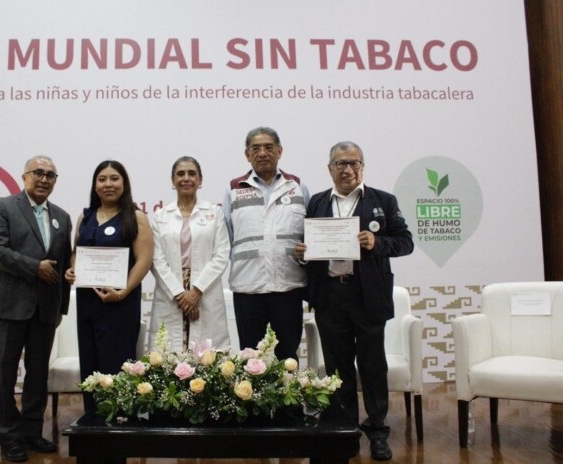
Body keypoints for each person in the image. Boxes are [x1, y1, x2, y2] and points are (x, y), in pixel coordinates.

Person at [295, 141, 414, 461]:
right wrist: (303, 253)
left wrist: (377, 242)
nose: (347, 169)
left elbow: (405, 242)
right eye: (341, 163)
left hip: (368, 296)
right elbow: (308, 245)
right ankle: (344, 430)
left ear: (362, 167)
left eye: (354, 163)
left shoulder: (383, 201)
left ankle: (377, 430)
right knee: (338, 367)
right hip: (330, 295)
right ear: (330, 168)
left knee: (373, 366)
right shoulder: (318, 202)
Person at [0, 156, 72, 463]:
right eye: (38, 173)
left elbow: (63, 263)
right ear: (24, 176)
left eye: (51, 175)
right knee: (3, 375)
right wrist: (35, 267)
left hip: (45, 309)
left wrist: (61, 308)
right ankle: (9, 436)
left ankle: (32, 431)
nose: (44, 179)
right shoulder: (2, 206)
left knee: (37, 375)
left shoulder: (62, 217)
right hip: (7, 306)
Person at [64, 160, 153, 413]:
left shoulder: (136, 217)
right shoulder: (85, 217)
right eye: (102, 179)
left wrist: (122, 292)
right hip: (88, 303)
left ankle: (119, 421)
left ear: (124, 183)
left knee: (117, 364)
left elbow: (144, 260)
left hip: (120, 304)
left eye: (114, 178)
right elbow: (76, 252)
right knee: (90, 362)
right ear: (95, 186)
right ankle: (92, 420)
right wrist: (72, 269)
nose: (108, 184)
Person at [222, 127, 309, 360]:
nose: (262, 153)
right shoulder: (234, 190)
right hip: (248, 288)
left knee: (288, 357)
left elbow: (309, 236)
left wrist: (306, 253)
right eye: (256, 148)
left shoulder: (297, 186)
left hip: (288, 287)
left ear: (279, 151)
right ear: (247, 155)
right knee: (251, 358)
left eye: (268, 147)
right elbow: (226, 238)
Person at [149, 156, 231, 353]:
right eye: (180, 174)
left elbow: (221, 254)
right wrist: (180, 294)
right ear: (173, 180)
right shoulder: (160, 216)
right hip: (171, 289)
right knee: (167, 355)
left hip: (204, 288)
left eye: (192, 174)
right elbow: (156, 259)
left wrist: (196, 291)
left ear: (200, 180)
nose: (186, 178)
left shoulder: (214, 213)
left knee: (208, 357)